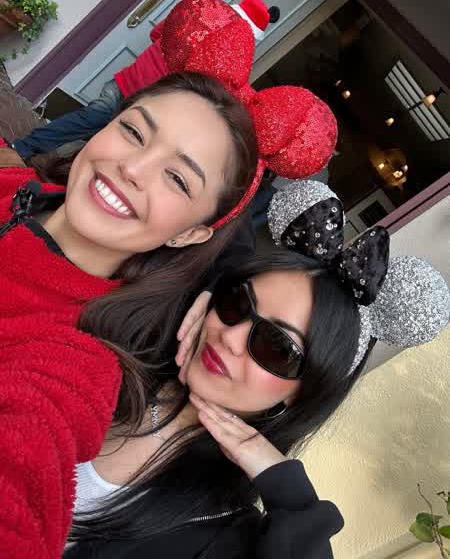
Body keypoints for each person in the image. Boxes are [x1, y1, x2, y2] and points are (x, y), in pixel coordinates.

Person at [0, 65, 339, 557]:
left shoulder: (79, 359)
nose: (133, 168)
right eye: (134, 131)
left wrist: (290, 493)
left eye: (178, 179)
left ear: (191, 234)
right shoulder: (15, 183)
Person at [60, 180, 449, 558]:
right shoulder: (120, 347)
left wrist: (287, 489)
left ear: (303, 393)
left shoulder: (222, 529)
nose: (230, 337)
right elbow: (220, 197)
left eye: (275, 346)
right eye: (237, 304)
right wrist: (211, 285)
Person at [1, 0, 280, 163]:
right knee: (99, 132)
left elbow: (156, 33)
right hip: (142, 98)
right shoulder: (224, 61)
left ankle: (37, 155)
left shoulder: (194, 20)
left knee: (92, 129)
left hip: (131, 87)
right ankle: (28, 150)